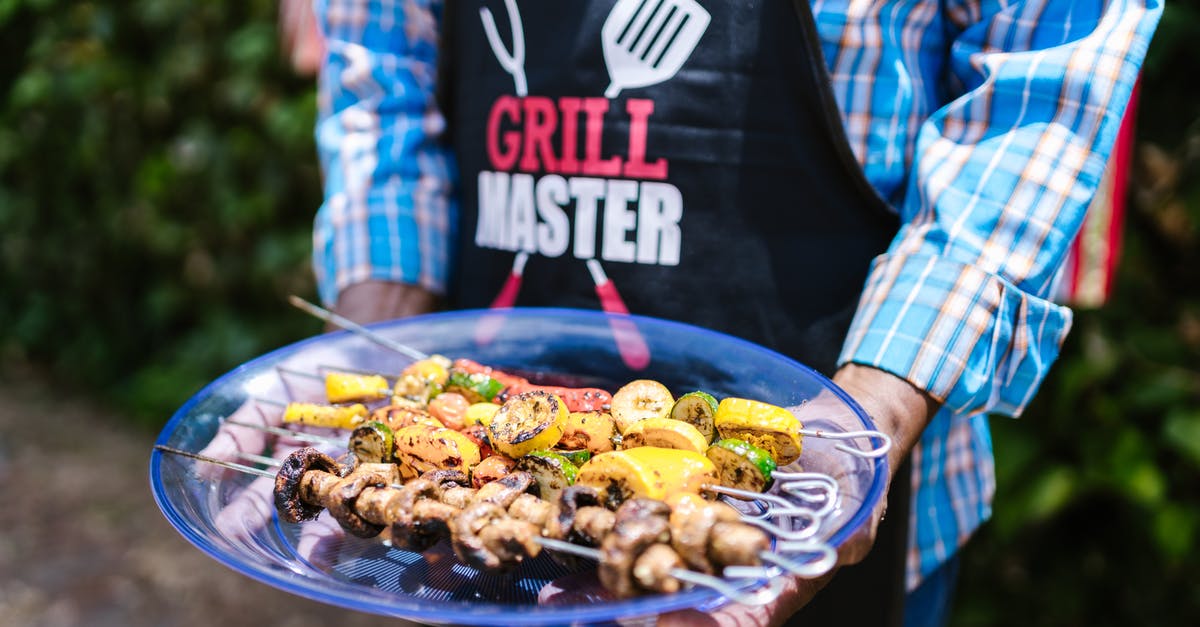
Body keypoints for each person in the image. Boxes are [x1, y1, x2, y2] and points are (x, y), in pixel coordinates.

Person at [306, 1, 1163, 624]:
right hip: (479, 534)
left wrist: (868, 420)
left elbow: (1030, 109)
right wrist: (374, 358)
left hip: (840, 469)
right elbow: (382, 80)